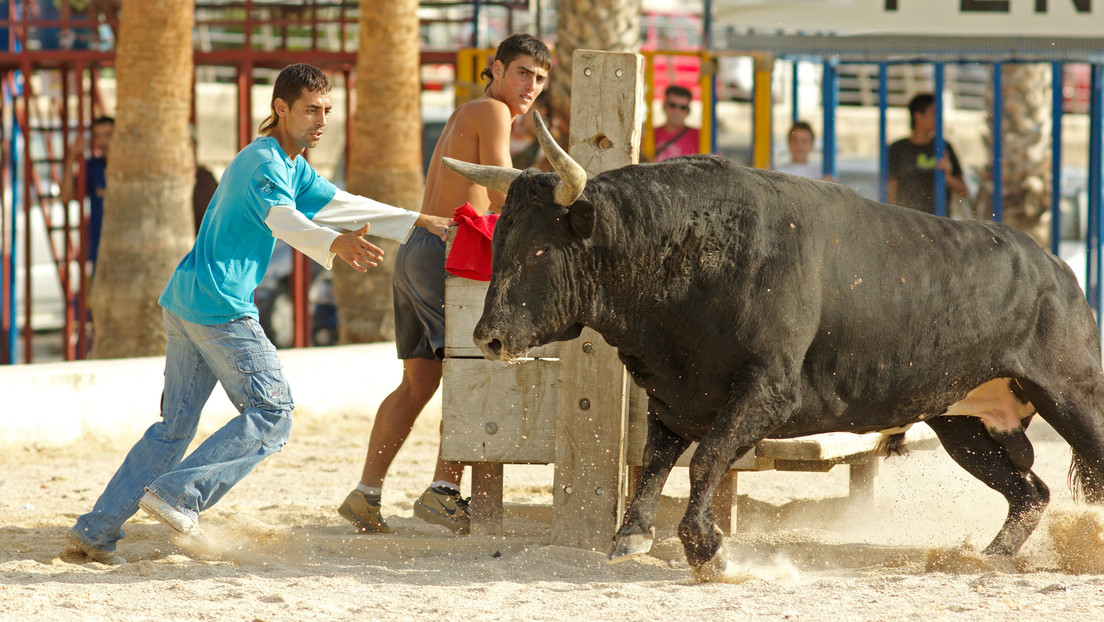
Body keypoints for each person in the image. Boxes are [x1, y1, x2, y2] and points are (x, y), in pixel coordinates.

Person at [65, 63, 452, 565]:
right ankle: (181, 495)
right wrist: (335, 243)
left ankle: (96, 531)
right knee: (273, 413)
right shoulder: (264, 162)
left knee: (173, 430)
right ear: (281, 108)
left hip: (185, 301)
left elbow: (336, 202)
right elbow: (285, 220)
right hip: (219, 306)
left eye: (328, 110)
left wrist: (418, 219)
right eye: (312, 109)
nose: (322, 119)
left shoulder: (291, 164)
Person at [338, 33, 551, 536]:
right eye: (523, 72)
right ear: (496, 70)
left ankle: (366, 494)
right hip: (449, 252)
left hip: (418, 247)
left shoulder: (466, 112)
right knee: (469, 372)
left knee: (419, 383)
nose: (531, 86)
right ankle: (444, 490)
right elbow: (503, 188)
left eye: (540, 79)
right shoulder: (492, 112)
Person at [888, 93, 968, 213]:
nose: (939, 118)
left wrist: (947, 177)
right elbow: (890, 191)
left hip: (940, 224)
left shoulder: (944, 147)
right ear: (918, 116)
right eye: (934, 113)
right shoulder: (898, 148)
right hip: (907, 223)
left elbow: (963, 192)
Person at [60, 115, 113, 270]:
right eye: (97, 136)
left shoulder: (131, 167)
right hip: (100, 251)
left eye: (108, 135)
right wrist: (72, 157)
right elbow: (66, 197)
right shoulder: (92, 166)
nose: (103, 141)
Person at [652, 85, 700, 162]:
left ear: (688, 111)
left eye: (682, 107)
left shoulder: (700, 137)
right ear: (664, 106)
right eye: (672, 105)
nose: (676, 112)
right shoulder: (649, 135)